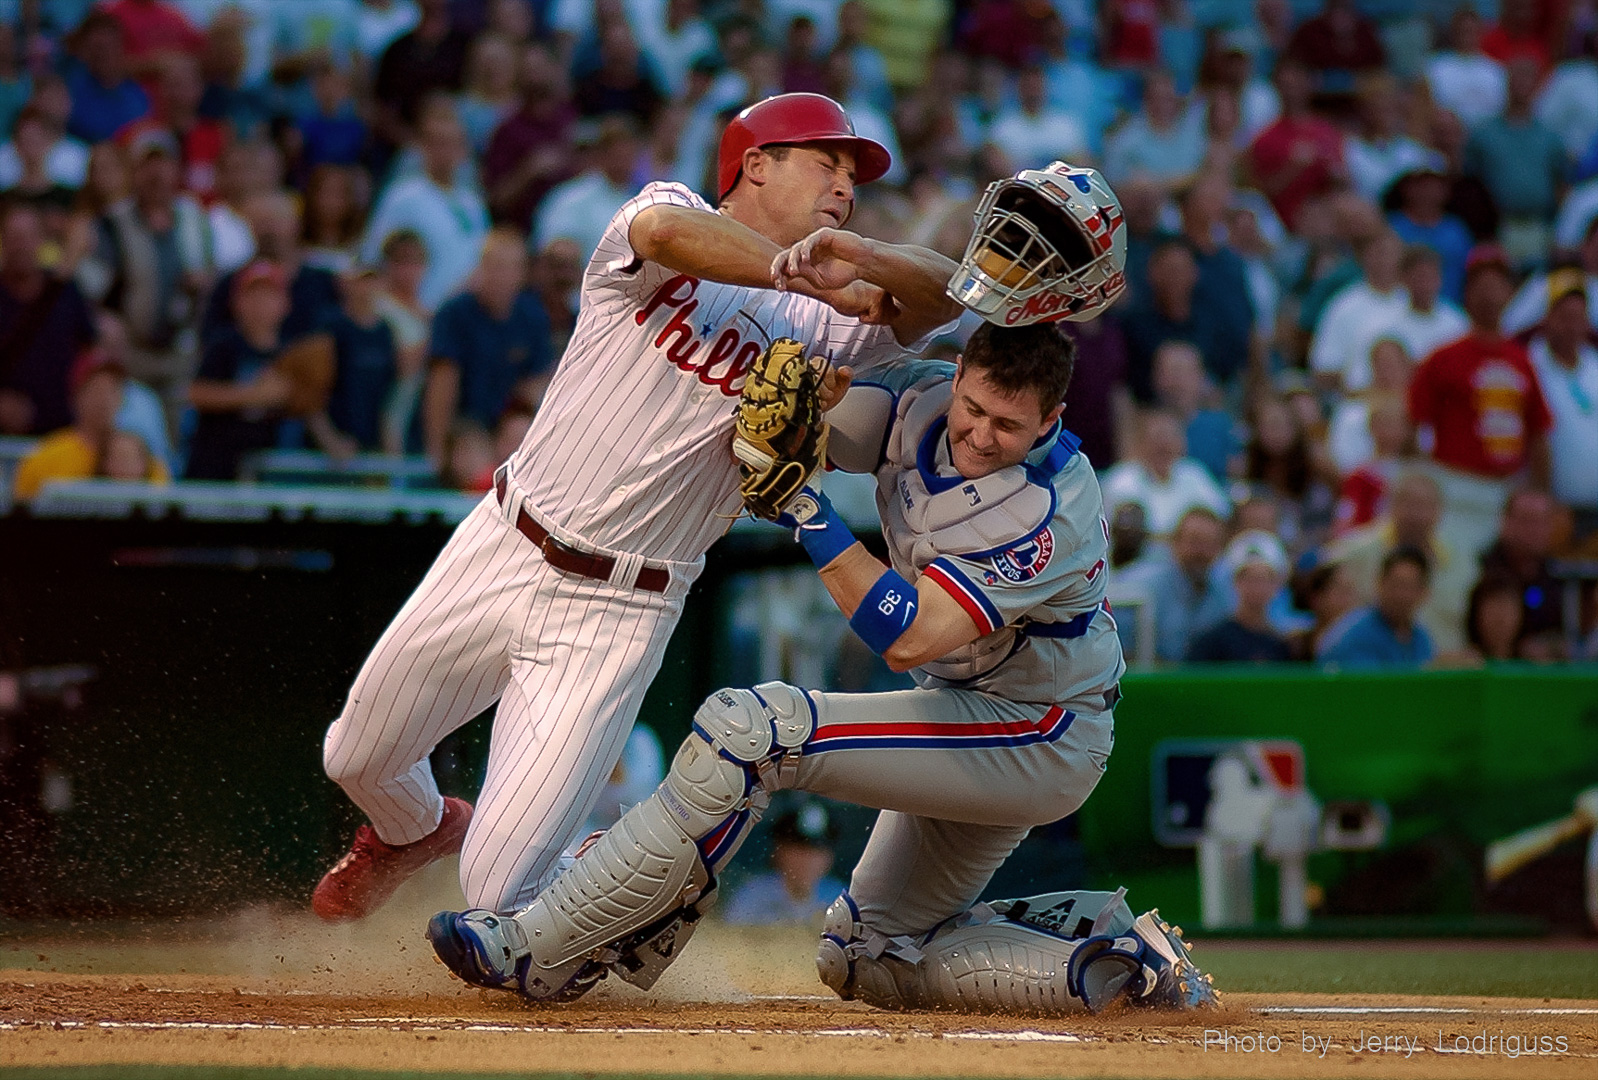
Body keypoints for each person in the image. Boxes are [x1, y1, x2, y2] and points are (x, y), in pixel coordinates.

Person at [428, 264, 1219, 1012]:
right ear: (960, 376)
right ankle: (1112, 958)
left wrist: (806, 509)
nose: (979, 434)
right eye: (974, 407)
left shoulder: (1048, 510)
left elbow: (909, 637)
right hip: (969, 706)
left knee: (754, 731)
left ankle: (542, 948)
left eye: (1008, 425)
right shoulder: (923, 403)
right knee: (864, 953)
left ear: (1052, 420)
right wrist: (793, 408)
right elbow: (806, 425)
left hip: (1037, 731)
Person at [312, 93, 962, 924]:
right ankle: (415, 830)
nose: (844, 183)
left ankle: (618, 892)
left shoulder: (830, 313)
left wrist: (858, 256)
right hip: (507, 538)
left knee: (496, 893)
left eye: (853, 174)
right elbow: (663, 239)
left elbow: (951, 297)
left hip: (622, 605)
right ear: (755, 164)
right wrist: (795, 271)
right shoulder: (668, 212)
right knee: (356, 758)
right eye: (824, 161)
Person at [1407, 245, 1551, 560]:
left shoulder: (1521, 360)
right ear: (1467, 293)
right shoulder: (1443, 358)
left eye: (1497, 285)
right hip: (1457, 489)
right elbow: (1414, 425)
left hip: (1508, 491)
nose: (1490, 295)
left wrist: (1539, 492)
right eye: (1481, 285)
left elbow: (1539, 429)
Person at [420, 229, 552, 464]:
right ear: (481, 268)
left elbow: (538, 382)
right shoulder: (455, 314)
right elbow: (442, 384)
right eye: (496, 267)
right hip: (463, 427)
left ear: (522, 274)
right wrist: (438, 453)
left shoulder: (532, 316)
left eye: (511, 268)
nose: (503, 277)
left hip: (506, 424)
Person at [1324, 470, 1471, 654]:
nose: (1417, 515)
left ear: (1440, 510)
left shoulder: (1464, 565)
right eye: (1409, 504)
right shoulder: (1351, 554)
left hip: (1446, 675)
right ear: (1390, 505)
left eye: (1425, 506)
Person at [185, 260, 295, 480]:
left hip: (265, 468)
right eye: (252, 296)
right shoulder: (224, 345)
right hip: (214, 467)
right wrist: (254, 395)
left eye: (268, 296)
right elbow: (197, 393)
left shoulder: (289, 354)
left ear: (284, 303)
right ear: (237, 302)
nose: (260, 304)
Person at [11, 349, 170, 501]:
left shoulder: (145, 463)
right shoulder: (44, 459)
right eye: (97, 389)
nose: (105, 399)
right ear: (76, 396)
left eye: (113, 390)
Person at [1526, 271, 1598, 539]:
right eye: (1564, 316)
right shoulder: (1530, 365)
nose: (1571, 326)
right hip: (1552, 510)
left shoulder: (1595, 367)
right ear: (1546, 318)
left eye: (1578, 317)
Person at [1101, 409, 1230, 537]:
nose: (1163, 446)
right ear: (1141, 444)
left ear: (1181, 444)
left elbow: (1221, 517)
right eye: (1156, 441)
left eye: (1168, 440)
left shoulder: (1194, 474)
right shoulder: (1120, 479)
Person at [723, 802, 847, 925]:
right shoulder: (752, 896)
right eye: (798, 849)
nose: (806, 860)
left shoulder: (841, 899)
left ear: (829, 857)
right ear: (779, 851)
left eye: (815, 851)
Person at [1317, 546, 1434, 668]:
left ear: (1424, 592)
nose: (1402, 595)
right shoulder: (1354, 635)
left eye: (1410, 587)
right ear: (1379, 583)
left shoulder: (1421, 638)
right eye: (1396, 584)